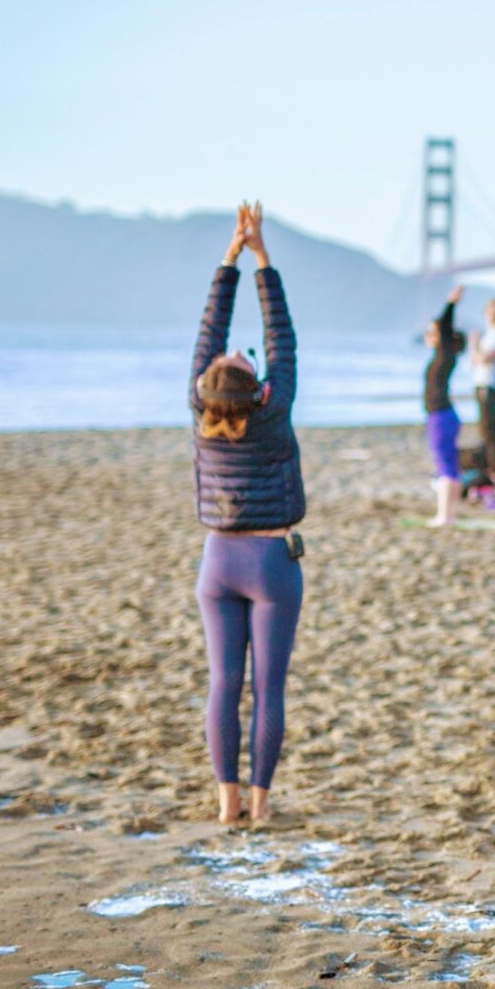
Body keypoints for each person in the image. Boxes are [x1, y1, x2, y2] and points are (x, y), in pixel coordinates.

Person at [189, 202, 306, 827]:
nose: (226, 352)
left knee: (222, 684)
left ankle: (225, 802)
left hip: (218, 560)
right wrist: (262, 257)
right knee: (269, 689)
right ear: (257, 386)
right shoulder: (274, 410)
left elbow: (209, 332)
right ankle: (260, 806)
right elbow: (280, 332)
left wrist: (229, 258)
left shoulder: (202, 414)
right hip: (270, 560)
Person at [423, 284, 468, 527]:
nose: (428, 335)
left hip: (441, 416)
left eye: (431, 332)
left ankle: (444, 515)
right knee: (451, 465)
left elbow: (445, 325)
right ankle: (451, 514)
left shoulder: (444, 354)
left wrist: (451, 304)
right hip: (444, 415)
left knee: (445, 466)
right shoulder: (443, 356)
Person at [470, 297, 495, 482]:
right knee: (484, 429)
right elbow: (474, 360)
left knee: (491, 429)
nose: (493, 313)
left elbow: (485, 358)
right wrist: (476, 350)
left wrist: (475, 346)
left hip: (490, 384)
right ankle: (488, 467)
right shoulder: (489, 333)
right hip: (480, 383)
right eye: (491, 309)